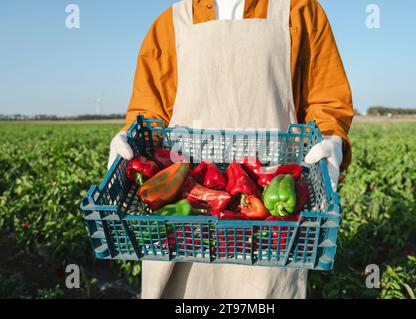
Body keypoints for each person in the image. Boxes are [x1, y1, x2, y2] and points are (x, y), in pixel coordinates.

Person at [108, 0, 353, 299]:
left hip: (269, 215)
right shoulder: (170, 22)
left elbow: (326, 99)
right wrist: (130, 138)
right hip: (184, 205)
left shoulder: (299, 10)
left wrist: (331, 139)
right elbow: (150, 113)